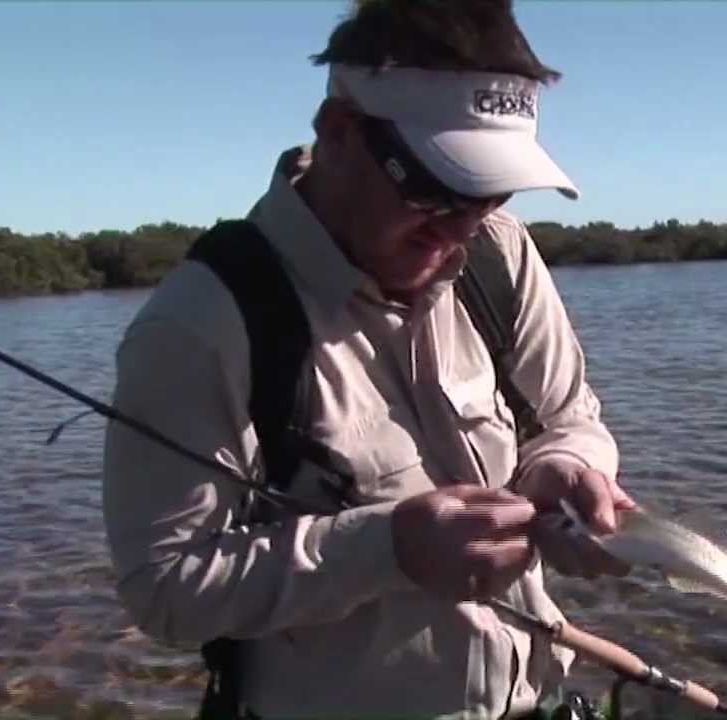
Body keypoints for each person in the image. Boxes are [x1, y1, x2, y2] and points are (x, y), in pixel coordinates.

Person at [101, 0, 634, 717]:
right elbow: (165, 591)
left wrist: (568, 467)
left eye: (489, 190)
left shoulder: (500, 256)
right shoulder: (199, 324)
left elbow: (571, 416)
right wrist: (387, 549)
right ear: (340, 131)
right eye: (434, 185)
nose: (461, 225)